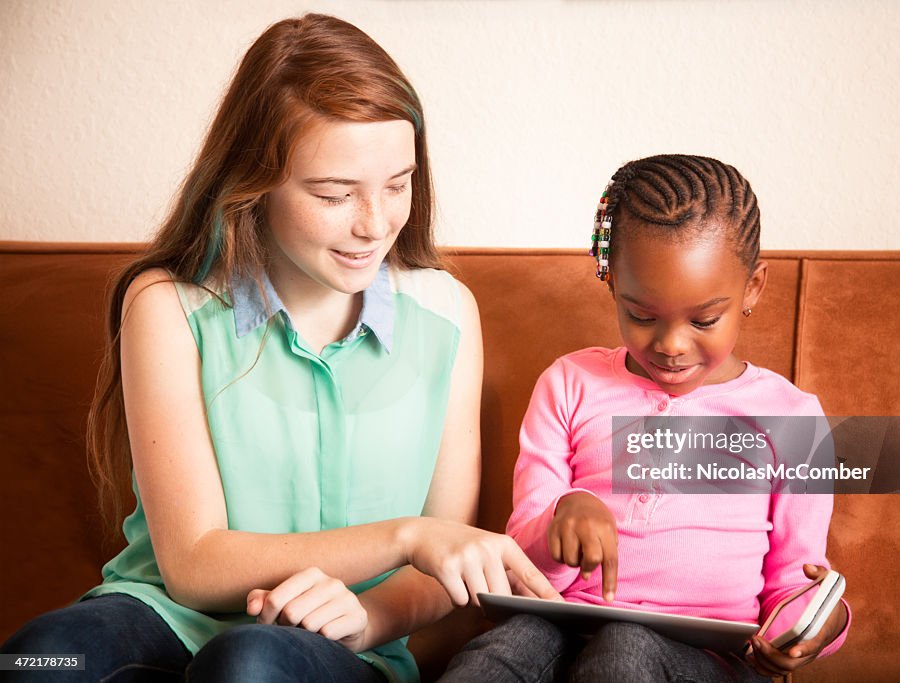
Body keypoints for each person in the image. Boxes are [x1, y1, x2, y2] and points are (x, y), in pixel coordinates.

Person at [0, 13, 557, 683]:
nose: (374, 223)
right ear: (253, 182)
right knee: (36, 659)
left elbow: (443, 571)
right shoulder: (167, 305)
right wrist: (406, 536)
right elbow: (194, 563)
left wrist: (367, 616)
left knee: (250, 661)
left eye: (397, 183)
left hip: (341, 646)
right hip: (164, 616)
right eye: (333, 193)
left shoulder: (446, 317)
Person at [441, 155, 850, 682]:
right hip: (560, 626)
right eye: (641, 316)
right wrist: (561, 516)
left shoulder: (791, 417)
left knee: (625, 647)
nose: (672, 345)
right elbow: (521, 557)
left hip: (709, 661)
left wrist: (820, 622)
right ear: (612, 283)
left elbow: (797, 584)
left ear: (752, 288)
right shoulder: (569, 384)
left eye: (704, 319)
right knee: (499, 653)